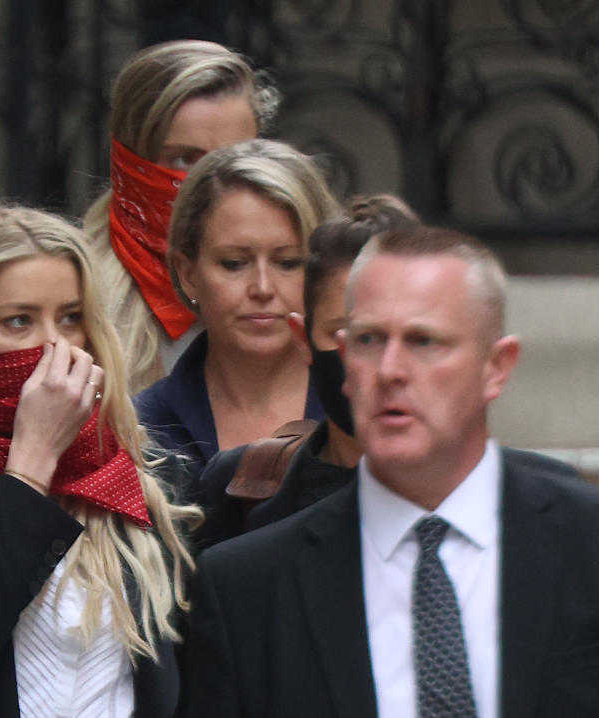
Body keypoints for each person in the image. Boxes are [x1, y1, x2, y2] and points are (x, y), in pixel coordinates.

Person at [184, 225, 597, 718]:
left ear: (497, 366)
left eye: (424, 341)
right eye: (368, 340)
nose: (389, 370)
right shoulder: (246, 589)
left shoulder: (584, 542)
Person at [0, 204, 202, 718]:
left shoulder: (134, 474)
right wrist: (31, 464)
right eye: (18, 321)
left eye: (70, 318)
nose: (55, 347)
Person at [198, 195, 420, 538]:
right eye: (355, 335)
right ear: (303, 340)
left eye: (414, 336)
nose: (386, 366)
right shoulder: (241, 487)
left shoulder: (508, 499)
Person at [135, 138, 340, 499]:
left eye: (288, 262)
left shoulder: (366, 411)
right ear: (187, 273)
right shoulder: (141, 429)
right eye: (234, 263)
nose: (262, 287)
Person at [83, 40, 278, 393]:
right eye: (184, 159)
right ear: (132, 163)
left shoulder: (299, 291)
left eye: (237, 157)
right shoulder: (75, 300)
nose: (212, 182)